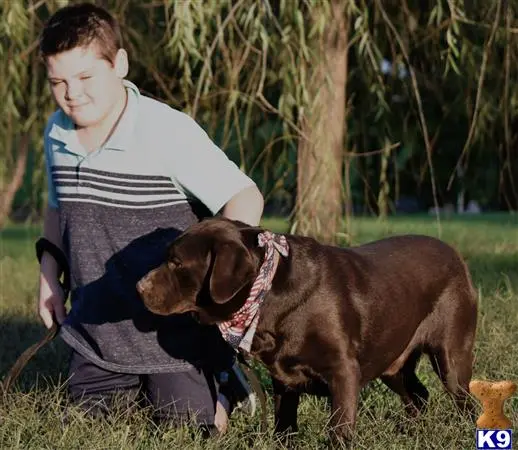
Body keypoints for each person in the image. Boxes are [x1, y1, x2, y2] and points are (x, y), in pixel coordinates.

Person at [37, 2, 264, 436]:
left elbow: (244, 196)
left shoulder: (168, 131)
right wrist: (49, 274)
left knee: (186, 428)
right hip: (98, 333)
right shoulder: (57, 132)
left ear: (119, 64)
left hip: (172, 334)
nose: (73, 93)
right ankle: (121, 376)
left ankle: (224, 383)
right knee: (85, 429)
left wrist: (218, 292)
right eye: (58, 82)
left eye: (86, 78)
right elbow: (57, 209)